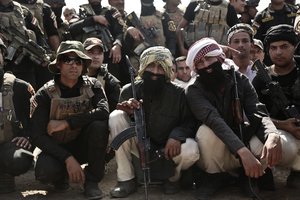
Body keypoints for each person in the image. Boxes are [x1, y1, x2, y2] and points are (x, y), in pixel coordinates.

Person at [185, 37, 300, 199]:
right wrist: (244, 153)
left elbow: (258, 112)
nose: (206, 66)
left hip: (241, 136)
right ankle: (214, 176)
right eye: (200, 63)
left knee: (270, 139)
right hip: (216, 148)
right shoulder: (193, 89)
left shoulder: (239, 79)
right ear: (195, 67)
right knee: (206, 132)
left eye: (209, 58)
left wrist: (272, 135)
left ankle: (251, 174)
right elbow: (215, 121)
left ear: (218, 57)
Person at [109, 46, 199, 198]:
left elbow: (189, 122)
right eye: (151, 66)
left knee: (191, 149)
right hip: (139, 148)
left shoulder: (179, 94)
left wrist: (176, 136)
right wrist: (130, 112)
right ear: (143, 66)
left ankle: (173, 179)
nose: (156, 72)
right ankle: (126, 179)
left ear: (168, 69)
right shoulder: (128, 90)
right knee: (116, 116)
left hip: (168, 149)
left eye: (161, 67)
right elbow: (124, 125)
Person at [30, 40, 110, 199]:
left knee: (99, 126)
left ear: (83, 65)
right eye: (68, 60)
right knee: (45, 172)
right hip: (56, 148)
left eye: (78, 61)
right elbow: (37, 135)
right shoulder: (44, 94)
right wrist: (67, 158)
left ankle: (92, 181)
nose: (74, 65)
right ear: (59, 64)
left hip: (84, 145)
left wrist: (67, 123)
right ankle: (61, 177)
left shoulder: (93, 85)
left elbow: (103, 111)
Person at [252, 25, 300, 190]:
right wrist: (283, 125)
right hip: (281, 132)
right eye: (273, 48)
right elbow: (254, 114)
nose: (278, 52)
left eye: (284, 46)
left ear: (295, 46)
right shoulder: (260, 78)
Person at [0, 38, 34, 194]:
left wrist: (27, 137)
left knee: (18, 159)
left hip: (8, 145)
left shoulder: (19, 87)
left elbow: (34, 121)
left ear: (2, 56)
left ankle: (5, 173)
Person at [0, 0, 52, 90]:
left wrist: (43, 51)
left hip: (24, 66)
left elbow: (39, 34)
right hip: (3, 68)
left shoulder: (22, 11)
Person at [252, 0, 297, 65]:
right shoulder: (261, 16)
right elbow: (255, 41)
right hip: (270, 63)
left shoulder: (296, 12)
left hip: (295, 61)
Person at [83, 37, 121, 112]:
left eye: (99, 53)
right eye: (91, 52)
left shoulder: (111, 82)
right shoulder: (73, 74)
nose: (96, 57)